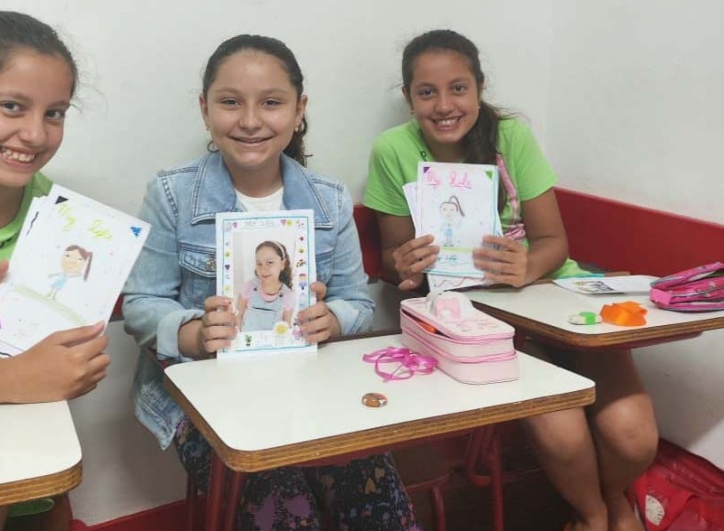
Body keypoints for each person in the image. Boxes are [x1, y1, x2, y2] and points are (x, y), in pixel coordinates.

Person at [123, 34, 420, 531]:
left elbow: (355, 302)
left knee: (375, 496)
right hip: (207, 402)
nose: (250, 120)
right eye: (230, 102)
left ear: (299, 109)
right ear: (205, 109)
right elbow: (141, 303)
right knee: (280, 505)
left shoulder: (329, 199)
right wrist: (192, 333)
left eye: (272, 103)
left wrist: (334, 319)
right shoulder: (172, 193)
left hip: (312, 390)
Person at [364, 29, 657, 531]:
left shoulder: (512, 137)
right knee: (562, 431)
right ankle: (591, 517)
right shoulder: (393, 150)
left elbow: (553, 243)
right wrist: (404, 263)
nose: (444, 105)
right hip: (475, 320)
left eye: (458, 88)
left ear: (479, 89)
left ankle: (609, 503)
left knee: (634, 436)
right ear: (409, 98)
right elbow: (393, 258)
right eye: (426, 92)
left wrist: (527, 265)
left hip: (553, 300)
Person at [0, 11, 110, 531]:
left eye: (54, 113)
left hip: (23, 453)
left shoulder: (62, 221)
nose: (35, 134)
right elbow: (25, 378)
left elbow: (52, 374)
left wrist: (65, 365)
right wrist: (10, 375)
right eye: (12, 106)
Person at [236, 240, 295, 331]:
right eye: (259, 263)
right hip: (248, 342)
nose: (263, 269)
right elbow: (238, 315)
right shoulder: (249, 287)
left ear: (283, 264)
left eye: (270, 262)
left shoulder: (287, 295)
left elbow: (286, 325)